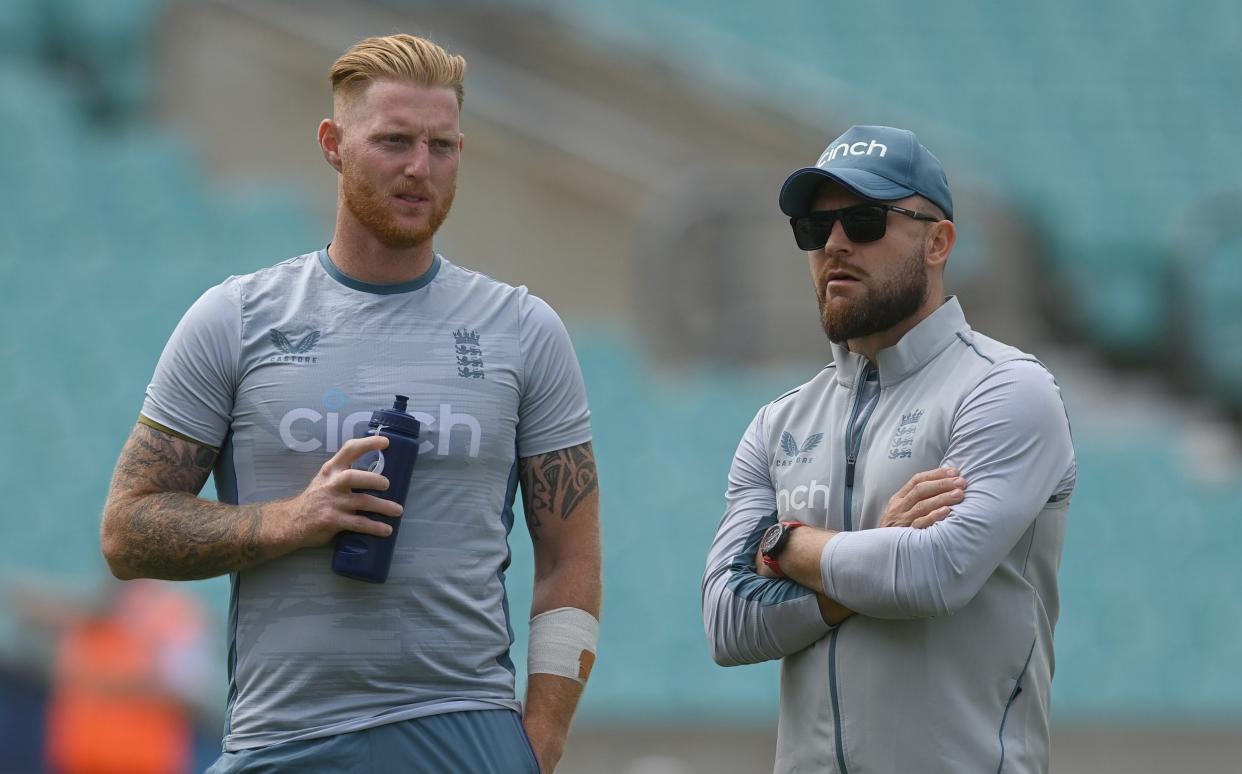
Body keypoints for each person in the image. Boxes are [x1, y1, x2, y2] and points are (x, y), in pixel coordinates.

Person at [100, 33, 601, 774]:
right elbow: (126, 530)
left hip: (464, 733)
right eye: (394, 140)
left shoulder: (524, 329)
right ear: (333, 144)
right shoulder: (236, 318)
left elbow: (571, 558)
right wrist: (290, 520)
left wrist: (544, 737)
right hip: (283, 738)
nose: (419, 168)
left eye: (442, 145)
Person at [702, 125, 1076, 773]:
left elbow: (931, 574)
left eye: (865, 220)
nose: (836, 244)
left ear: (939, 242)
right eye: (815, 230)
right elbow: (727, 622)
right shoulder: (778, 421)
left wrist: (784, 547)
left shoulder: (1007, 390)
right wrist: (871, 557)